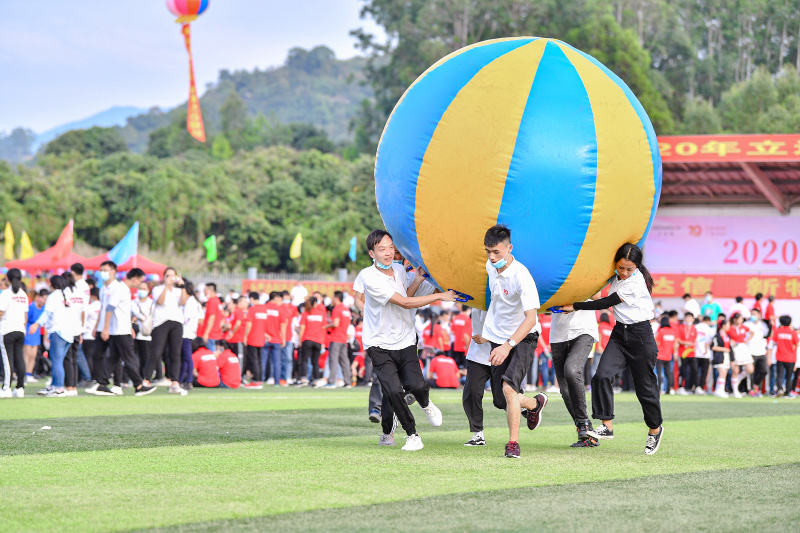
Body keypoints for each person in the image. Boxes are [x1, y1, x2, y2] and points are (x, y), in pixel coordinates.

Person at [560, 242, 664, 455]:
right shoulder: (615, 276)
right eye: (620, 267)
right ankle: (606, 426)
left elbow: (605, 303)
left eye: (629, 269)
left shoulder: (635, 283)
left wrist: (575, 305)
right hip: (619, 334)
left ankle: (655, 429)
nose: (624, 272)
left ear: (637, 267)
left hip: (641, 337)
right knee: (601, 376)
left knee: (645, 389)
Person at [356, 229, 455, 451]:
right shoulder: (368, 276)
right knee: (393, 391)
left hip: (405, 340)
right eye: (382, 249)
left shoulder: (400, 270)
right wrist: (441, 296)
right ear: (372, 253)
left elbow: (407, 295)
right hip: (378, 343)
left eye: (391, 248)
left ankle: (426, 404)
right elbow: (404, 302)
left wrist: (418, 278)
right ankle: (412, 435)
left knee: (417, 385)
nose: (388, 253)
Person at [479, 225, 547, 459]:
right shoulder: (490, 266)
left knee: (509, 390)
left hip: (524, 337)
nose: (491, 257)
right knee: (501, 401)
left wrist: (508, 345)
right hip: (498, 337)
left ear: (509, 248)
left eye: (496, 252)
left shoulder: (521, 276)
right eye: (488, 251)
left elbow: (531, 318)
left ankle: (513, 444)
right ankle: (534, 404)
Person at [549, 301, 600, 447]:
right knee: (565, 390)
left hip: (583, 329)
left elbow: (597, 296)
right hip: (558, 334)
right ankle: (586, 432)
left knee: (571, 370)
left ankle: (583, 423)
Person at [99, 268, 156, 397]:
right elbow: (110, 308)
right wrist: (106, 328)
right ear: (134, 279)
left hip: (121, 329)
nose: (140, 285)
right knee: (130, 358)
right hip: (120, 331)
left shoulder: (124, 289)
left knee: (114, 358)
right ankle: (139, 386)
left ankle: (102, 383)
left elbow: (122, 312)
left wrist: (129, 326)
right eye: (140, 281)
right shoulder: (121, 289)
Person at [31, 275, 80, 397]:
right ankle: (54, 385)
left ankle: (58, 388)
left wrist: (36, 324)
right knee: (59, 361)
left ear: (52, 284)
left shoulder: (54, 296)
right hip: (70, 333)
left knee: (57, 362)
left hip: (58, 332)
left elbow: (47, 313)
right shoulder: (69, 295)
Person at [149, 267, 189, 394]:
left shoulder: (178, 291)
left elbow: (183, 302)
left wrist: (182, 286)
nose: (170, 278)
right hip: (161, 322)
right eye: (168, 275)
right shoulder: (158, 289)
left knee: (175, 353)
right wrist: (166, 286)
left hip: (176, 322)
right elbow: (160, 301)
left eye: (173, 276)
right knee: (157, 352)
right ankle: (146, 378)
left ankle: (175, 381)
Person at [461, 309, 492, 446]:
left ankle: (530, 405)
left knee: (502, 399)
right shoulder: (474, 298)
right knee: (471, 392)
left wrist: (489, 338)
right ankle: (478, 434)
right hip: (477, 353)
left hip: (501, 351)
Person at [0, 269, 29, 397]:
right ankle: (20, 387)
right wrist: (23, 327)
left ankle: (6, 388)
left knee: (8, 361)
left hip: (7, 329)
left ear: (8, 278)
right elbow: (25, 315)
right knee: (19, 359)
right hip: (20, 329)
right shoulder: (23, 294)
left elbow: (1, 312)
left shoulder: (6, 294)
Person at [297, 296, 326, 386]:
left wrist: (299, 340)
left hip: (307, 339)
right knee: (315, 361)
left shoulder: (305, 313)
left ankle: (303, 379)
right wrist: (323, 341)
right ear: (315, 303)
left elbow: (302, 328)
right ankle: (316, 380)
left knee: (304, 360)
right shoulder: (321, 314)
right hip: (318, 340)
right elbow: (323, 328)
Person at [324, 291, 351, 388]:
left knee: (333, 361)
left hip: (336, 338)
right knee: (345, 361)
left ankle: (331, 381)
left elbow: (335, 323)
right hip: (343, 338)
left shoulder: (337, 309)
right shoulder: (346, 310)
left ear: (337, 298)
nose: (332, 299)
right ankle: (348, 382)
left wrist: (326, 326)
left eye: (333, 297)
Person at [179, 280, 201, 389]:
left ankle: (189, 381)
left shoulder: (190, 302)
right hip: (190, 332)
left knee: (187, 358)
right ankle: (181, 379)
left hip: (186, 333)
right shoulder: (195, 302)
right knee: (185, 358)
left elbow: (185, 318)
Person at [262, 292, 286, 385]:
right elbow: (283, 325)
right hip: (276, 339)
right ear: (275, 298)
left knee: (263, 360)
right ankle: (277, 382)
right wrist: (283, 338)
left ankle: (261, 380)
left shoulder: (264, 308)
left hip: (265, 338)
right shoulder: (280, 309)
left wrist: (264, 334)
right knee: (277, 361)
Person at [242, 292, 266, 388]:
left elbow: (249, 324)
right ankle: (259, 380)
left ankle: (255, 380)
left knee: (253, 360)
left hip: (253, 337)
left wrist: (245, 336)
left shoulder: (252, 309)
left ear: (251, 298)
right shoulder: (264, 309)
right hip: (261, 337)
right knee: (259, 360)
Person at [771, 315, 798, 397]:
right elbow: (797, 343)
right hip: (791, 358)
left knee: (780, 375)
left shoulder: (778, 331)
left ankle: (779, 389)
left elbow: (773, 342)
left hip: (780, 357)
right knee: (789, 376)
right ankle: (787, 392)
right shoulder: (792, 332)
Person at [728, 312, 754, 398]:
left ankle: (738, 379)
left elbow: (752, 332)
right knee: (735, 370)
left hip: (743, 347)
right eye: (739, 318)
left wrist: (747, 340)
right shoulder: (730, 328)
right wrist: (731, 342)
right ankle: (735, 390)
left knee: (750, 369)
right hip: (735, 348)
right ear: (735, 319)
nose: (741, 320)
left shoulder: (744, 327)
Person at [132, 282, 153, 383]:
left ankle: (145, 377)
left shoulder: (151, 303)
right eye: (140, 288)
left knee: (146, 358)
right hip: (135, 333)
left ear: (148, 290)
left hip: (147, 334)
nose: (141, 291)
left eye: (144, 289)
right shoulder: (133, 302)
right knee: (135, 358)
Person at [24, 289, 46, 381]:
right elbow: (26, 318)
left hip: (37, 332)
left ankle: (29, 373)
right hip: (29, 330)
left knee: (33, 355)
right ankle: (24, 374)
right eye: (43, 298)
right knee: (27, 354)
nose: (44, 301)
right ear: (38, 297)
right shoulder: (31, 306)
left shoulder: (45, 308)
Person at [747, 307, 770, 397]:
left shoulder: (763, 325)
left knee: (764, 370)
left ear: (759, 315)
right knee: (751, 372)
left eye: (754, 314)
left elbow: (766, 336)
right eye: (751, 314)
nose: (753, 316)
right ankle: (752, 390)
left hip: (761, 351)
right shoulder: (747, 324)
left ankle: (756, 385)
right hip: (750, 351)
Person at [676, 312, 698, 395]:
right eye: (686, 317)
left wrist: (695, 347)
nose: (688, 319)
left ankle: (692, 387)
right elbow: (678, 339)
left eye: (689, 317)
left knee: (694, 370)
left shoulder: (694, 328)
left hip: (691, 353)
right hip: (683, 353)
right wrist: (686, 343)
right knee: (683, 370)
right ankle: (681, 387)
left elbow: (695, 339)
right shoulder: (680, 327)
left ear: (693, 319)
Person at [655, 315, 677, 395]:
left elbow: (657, 342)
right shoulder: (672, 332)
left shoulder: (661, 331)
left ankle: (659, 390)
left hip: (660, 355)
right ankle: (669, 389)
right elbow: (675, 344)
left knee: (659, 373)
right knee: (668, 373)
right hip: (668, 356)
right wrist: (675, 353)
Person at [711, 319, 731, 398]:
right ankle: (720, 390)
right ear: (723, 325)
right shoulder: (717, 336)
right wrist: (724, 349)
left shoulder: (727, 336)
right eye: (728, 325)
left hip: (726, 356)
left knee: (724, 374)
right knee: (722, 373)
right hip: (719, 357)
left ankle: (719, 390)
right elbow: (713, 346)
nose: (729, 327)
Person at [201, 283, 224, 350]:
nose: (204, 292)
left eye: (205, 290)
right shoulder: (217, 301)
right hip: (217, 334)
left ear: (209, 290)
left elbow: (211, 318)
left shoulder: (212, 301)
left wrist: (206, 334)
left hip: (211, 335)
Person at [694, 315, 714, 394]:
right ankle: (701, 387)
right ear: (709, 321)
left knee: (695, 372)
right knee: (704, 372)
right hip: (705, 354)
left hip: (695, 353)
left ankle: (694, 387)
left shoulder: (696, 327)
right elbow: (709, 341)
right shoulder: (710, 329)